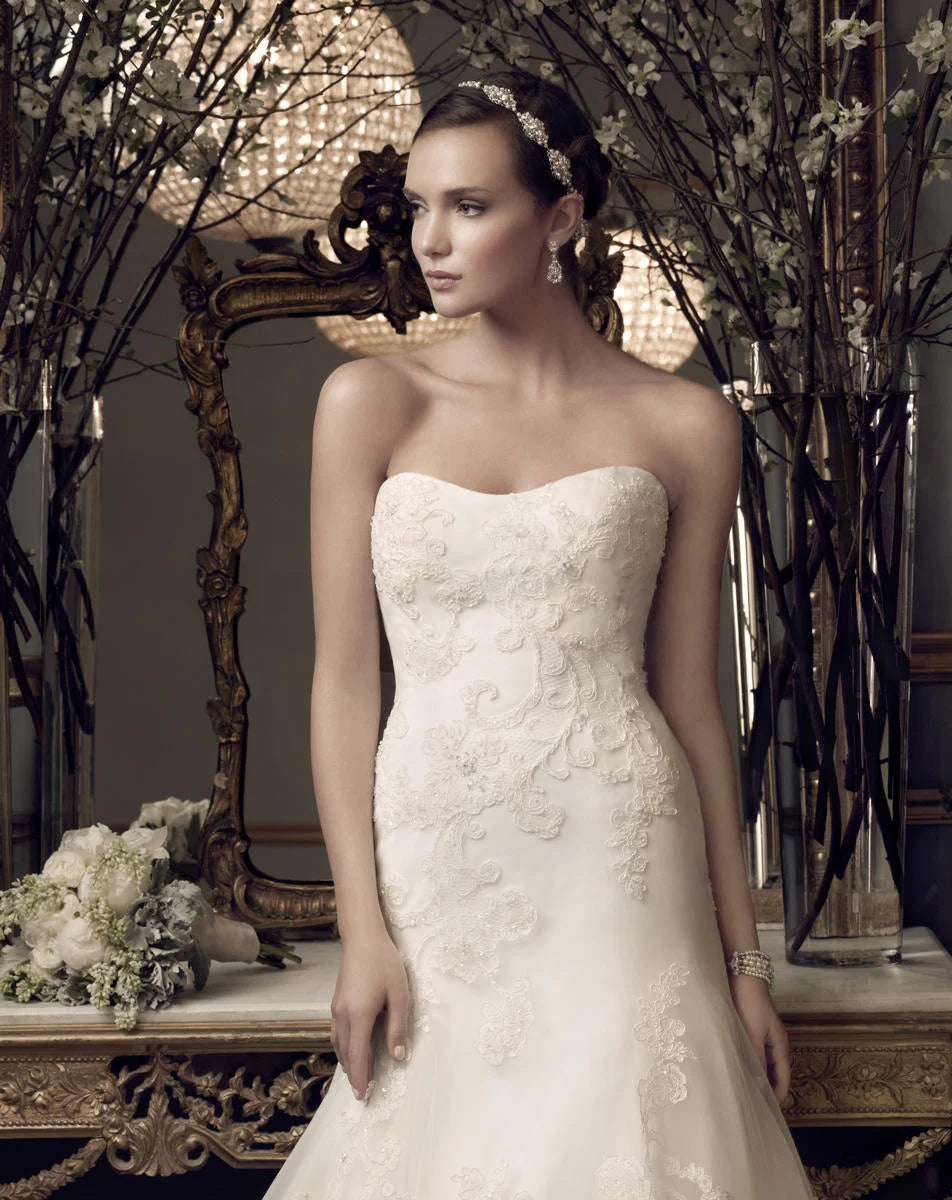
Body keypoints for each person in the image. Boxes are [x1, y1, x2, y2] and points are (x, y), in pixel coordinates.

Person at [263, 68, 816, 1200]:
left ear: (560, 219)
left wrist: (744, 958)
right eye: (418, 206)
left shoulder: (685, 423)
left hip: (619, 858)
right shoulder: (371, 405)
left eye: (470, 206)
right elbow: (340, 688)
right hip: (437, 866)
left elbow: (693, 704)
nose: (430, 239)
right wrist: (360, 930)